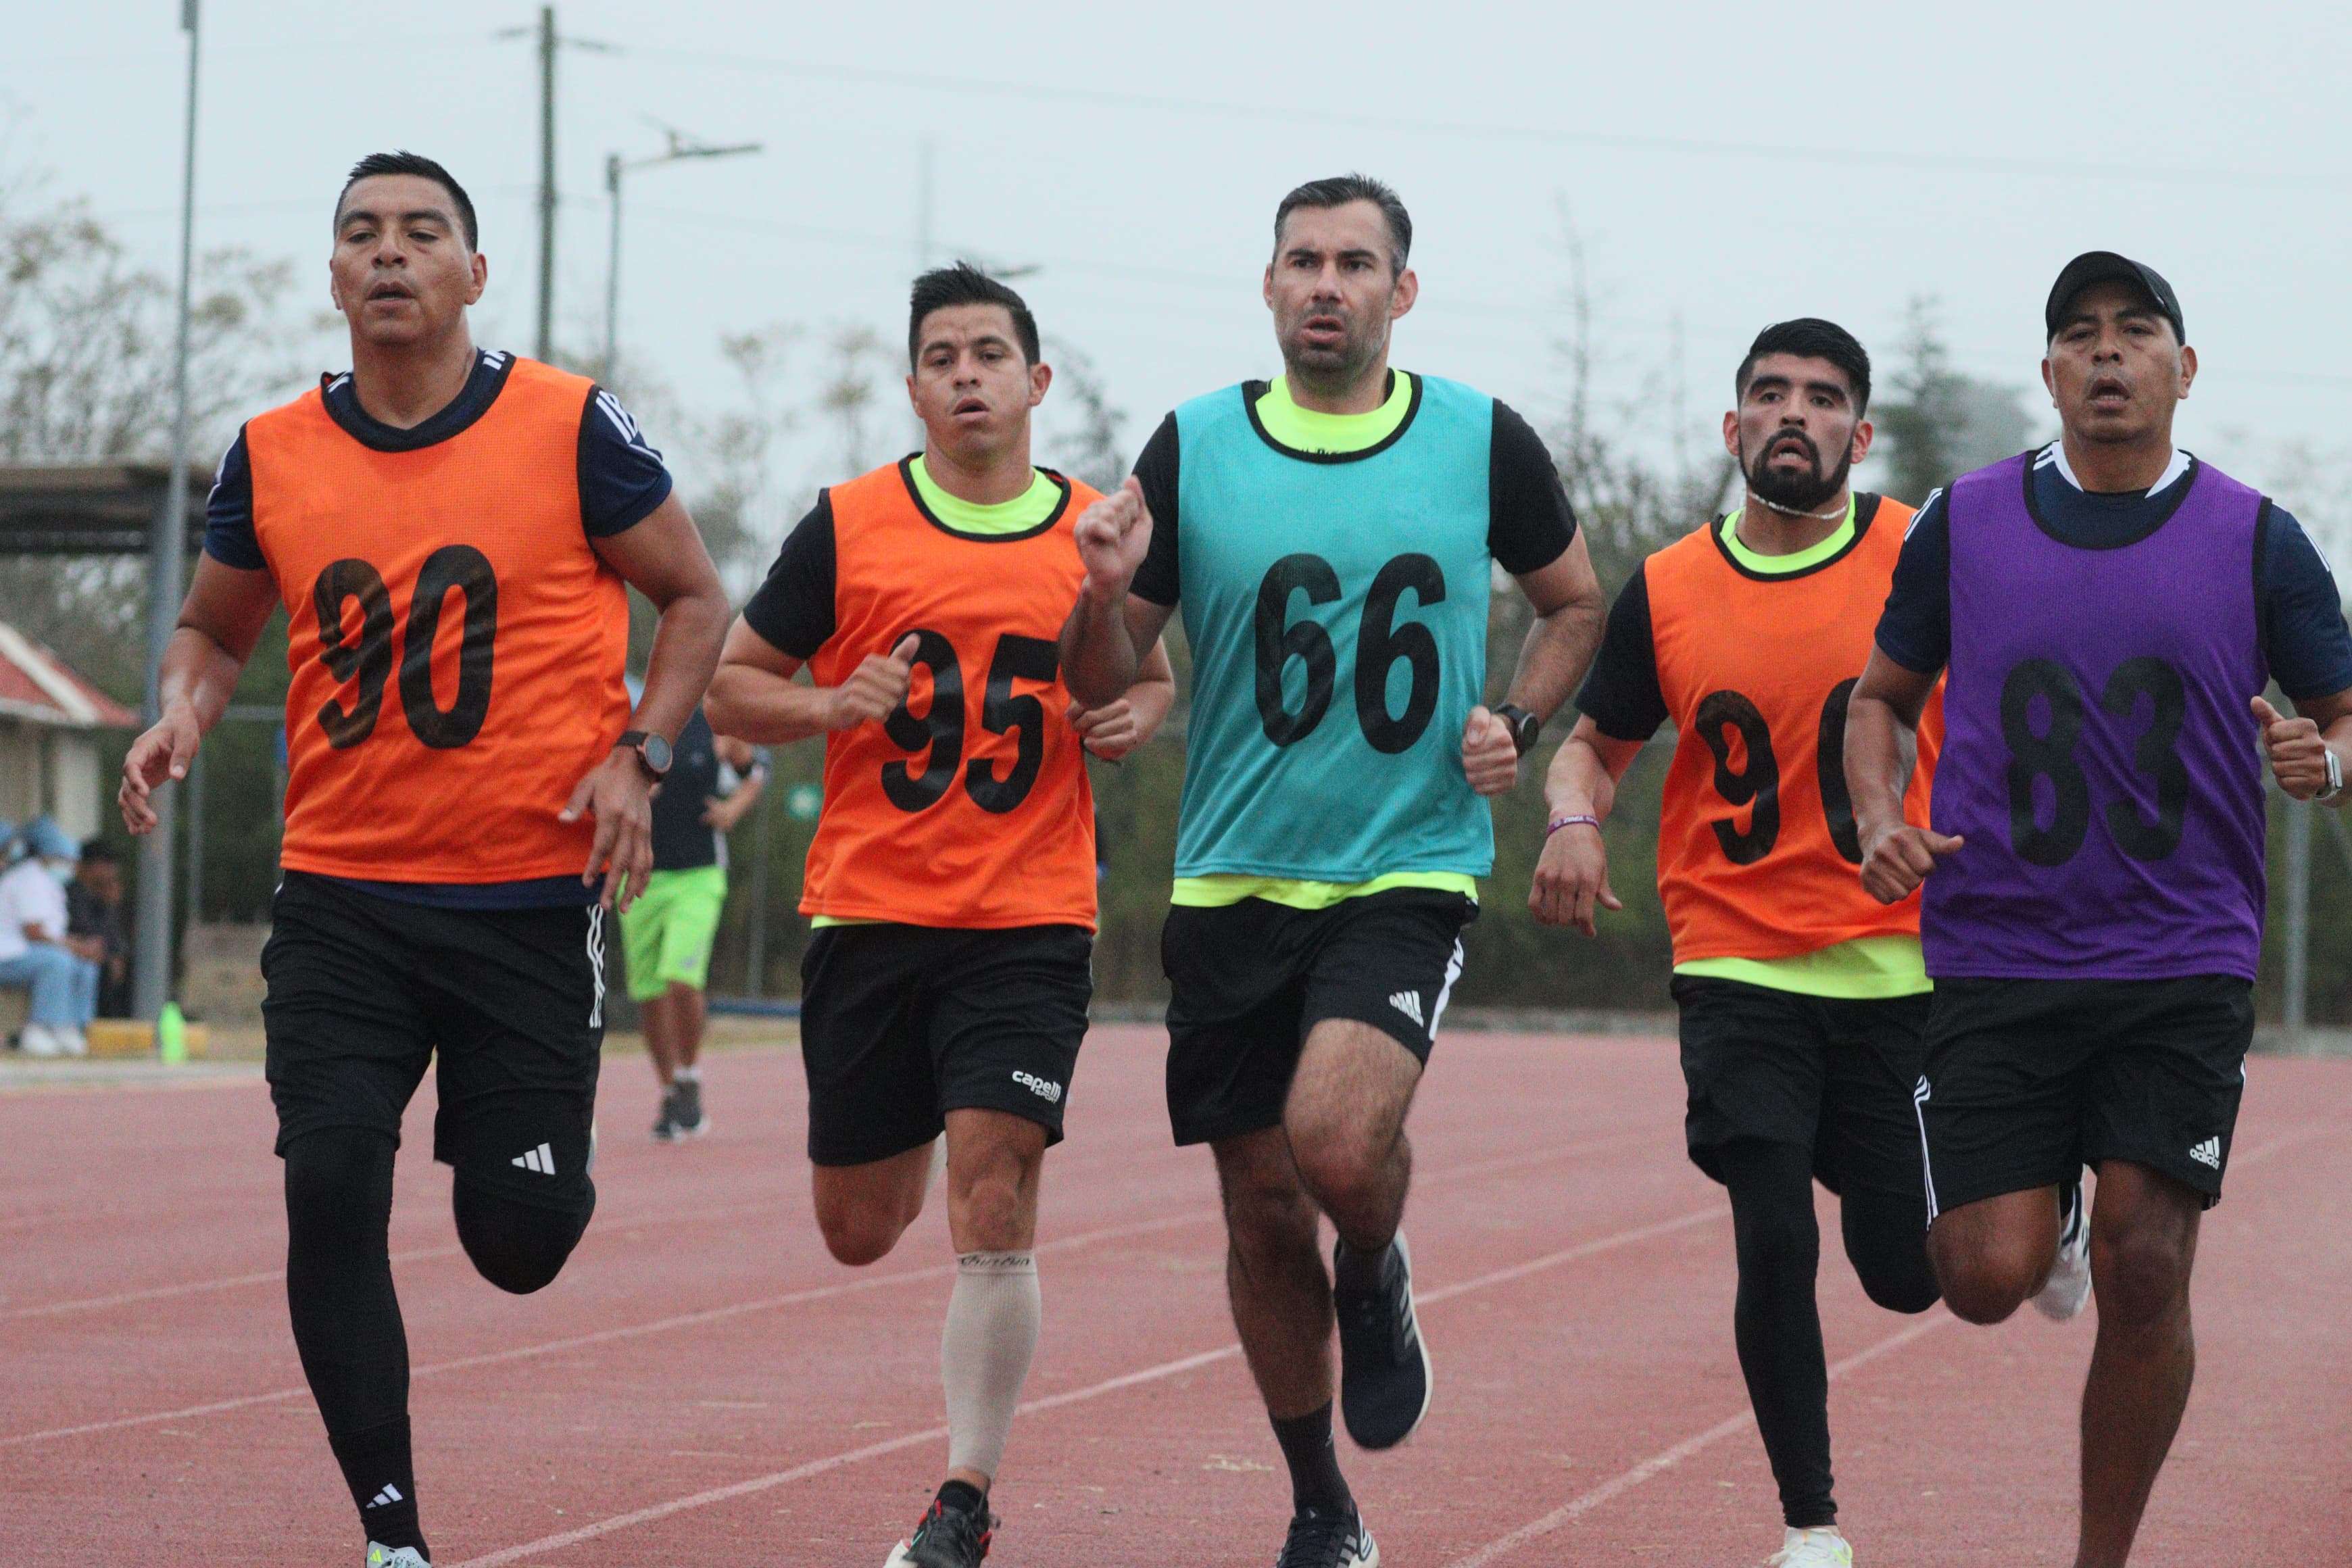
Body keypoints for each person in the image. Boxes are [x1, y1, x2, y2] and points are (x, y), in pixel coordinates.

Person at [118, 151, 729, 1568]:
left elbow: (696, 596)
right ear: (332, 274)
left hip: (526, 897)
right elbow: (215, 629)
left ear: (473, 270)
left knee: (518, 1238)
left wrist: (640, 753)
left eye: (421, 232)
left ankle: (534, 1156)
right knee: (329, 1181)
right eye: (361, 234)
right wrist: (183, 706)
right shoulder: (271, 451)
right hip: (342, 897)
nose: (389, 254)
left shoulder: (571, 423)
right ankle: (394, 1532)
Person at [1058, 175, 1605, 1568]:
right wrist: (1092, 591)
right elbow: (1102, 684)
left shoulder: (1483, 441)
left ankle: (1376, 1262)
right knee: (1255, 1206)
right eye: (1302, 259)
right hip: (1232, 874)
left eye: (1355, 263)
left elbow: (1577, 602)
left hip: (1405, 864)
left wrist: (1518, 721)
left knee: (1339, 1141)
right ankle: (1321, 1500)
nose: (1325, 284)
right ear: (1268, 283)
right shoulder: (1190, 448)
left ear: (1399, 293)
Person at [1846, 253, 2352, 1568]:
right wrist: (1880, 814)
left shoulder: (2258, 536)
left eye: (2139, 334)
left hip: (2182, 955)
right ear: (2051, 372)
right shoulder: (1967, 518)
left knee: (2148, 1260)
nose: (2110, 355)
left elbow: (2346, 715)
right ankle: (2043, 1210)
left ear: (2185, 370)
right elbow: (1879, 698)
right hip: (1995, 950)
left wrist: (2329, 759)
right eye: (2082, 336)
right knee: (1981, 1276)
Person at [706, 263, 1175, 1568]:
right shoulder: (849, 526)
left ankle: (963, 1498)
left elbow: (1147, 678)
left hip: (1030, 915)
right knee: (858, 1231)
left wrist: (1143, 707)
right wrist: (829, 706)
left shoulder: (1099, 525)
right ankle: (915, 1118)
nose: (967, 375)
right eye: (942, 357)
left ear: (1037, 381)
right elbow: (734, 689)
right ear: (912, 388)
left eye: (990, 353)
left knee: (997, 1186)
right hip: (872, 910)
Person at [1534, 320, 1953, 1568]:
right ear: (1733, 428)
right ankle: (1811, 1525)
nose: (1793, 414)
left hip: (1900, 963)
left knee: (1908, 1276)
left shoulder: (1920, 554)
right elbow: (1591, 746)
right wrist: (1569, 819)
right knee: (1772, 1225)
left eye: (1823, 400)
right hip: (1736, 961)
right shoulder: (1669, 587)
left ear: (1859, 437)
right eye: (1769, 394)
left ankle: (2049, 1196)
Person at [619, 702, 766, 1140]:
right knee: (647, 992)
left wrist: (735, 808)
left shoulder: (718, 722)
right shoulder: (637, 719)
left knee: (680, 978)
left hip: (699, 876)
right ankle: (671, 1092)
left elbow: (755, 770)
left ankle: (690, 1075)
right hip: (642, 875)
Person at [0, 818, 102, 1056]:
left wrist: (78, 947)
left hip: (23, 951)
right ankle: (41, 1028)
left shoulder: (48, 882)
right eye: (63, 860)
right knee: (56, 962)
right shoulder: (28, 878)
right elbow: (34, 933)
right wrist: (74, 947)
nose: (67, 866)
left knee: (84, 966)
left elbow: (51, 932)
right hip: (9, 954)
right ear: (47, 855)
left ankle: (70, 1028)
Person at [66, 837, 131, 1019]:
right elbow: (83, 930)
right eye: (105, 864)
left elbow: (116, 939)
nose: (111, 871)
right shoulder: (72, 894)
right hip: (79, 952)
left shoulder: (105, 897)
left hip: (99, 954)